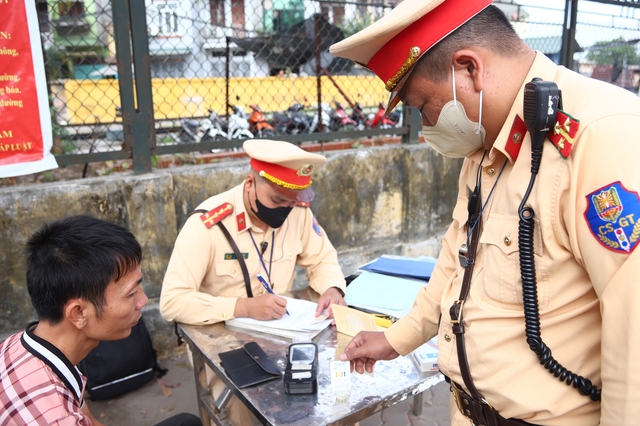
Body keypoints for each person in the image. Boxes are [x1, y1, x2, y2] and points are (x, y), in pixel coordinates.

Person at [329, 0, 640, 425]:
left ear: (469, 69)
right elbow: (455, 262)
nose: (425, 129)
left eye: (424, 106)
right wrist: (395, 339)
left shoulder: (601, 137)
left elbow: (633, 334)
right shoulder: (484, 144)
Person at [160, 139, 347, 425]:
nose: (285, 210)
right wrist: (242, 307)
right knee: (246, 404)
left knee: (336, 387)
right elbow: (172, 301)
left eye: (292, 201)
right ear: (250, 183)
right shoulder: (208, 224)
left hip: (286, 335)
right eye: (276, 200)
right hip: (224, 344)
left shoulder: (298, 212)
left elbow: (323, 259)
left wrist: (333, 288)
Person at [0, 215, 201, 426]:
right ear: (78, 313)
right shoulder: (57, 419)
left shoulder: (19, 346)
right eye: (131, 293)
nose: (142, 300)